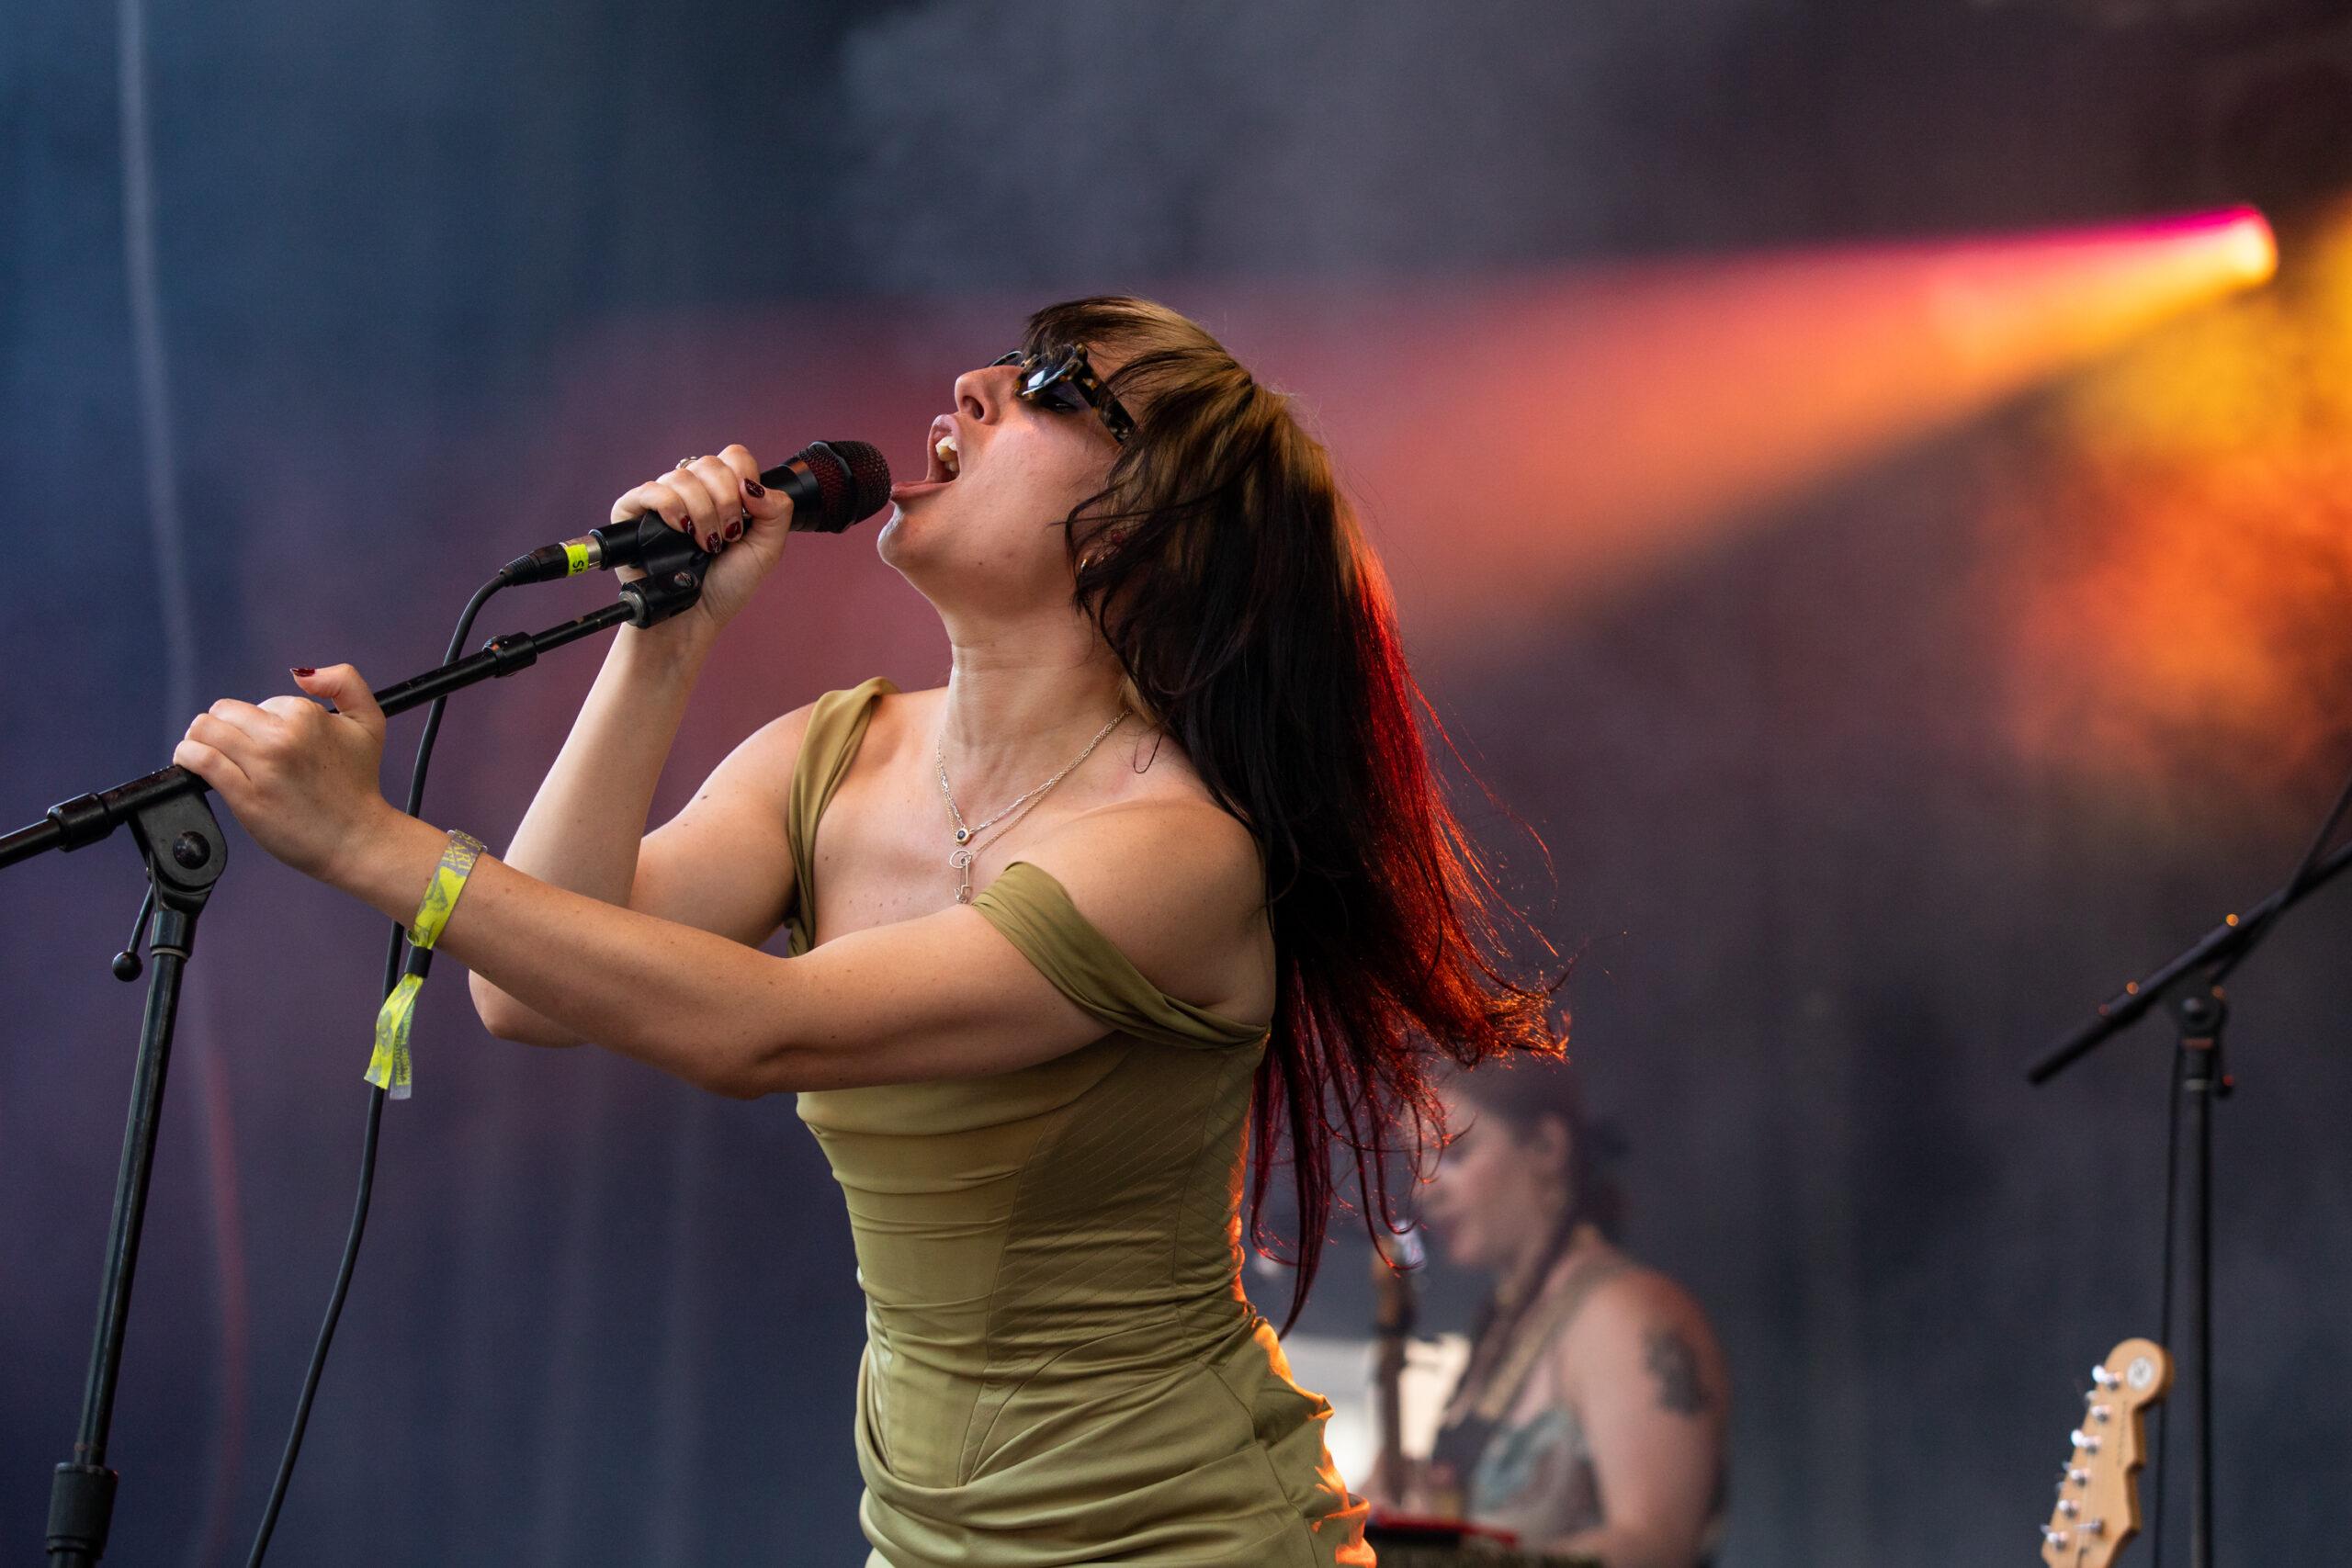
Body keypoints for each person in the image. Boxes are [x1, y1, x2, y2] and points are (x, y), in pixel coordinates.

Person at [170, 297, 1566, 1567]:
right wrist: (662, 637)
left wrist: (369, 843)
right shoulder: (831, 756)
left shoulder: (1177, 852)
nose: (971, 386)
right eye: (1003, 362)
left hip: (1186, 1533)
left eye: (1054, 386)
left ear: (1150, 531)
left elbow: (760, 1029)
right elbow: (531, 992)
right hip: (921, 1534)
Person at [1383, 1060, 1727, 1568]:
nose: (1425, 1190)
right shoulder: (1502, 1323)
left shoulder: (1630, 1313)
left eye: (1455, 1153)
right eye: (1418, 1163)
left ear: (1546, 1147)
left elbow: (1656, 1547)